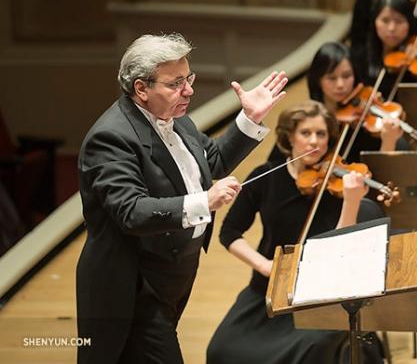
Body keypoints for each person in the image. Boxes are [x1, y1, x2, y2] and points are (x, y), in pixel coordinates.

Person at [76, 33, 287, 364]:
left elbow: (211, 160)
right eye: (175, 83)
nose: (188, 90)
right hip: (132, 285)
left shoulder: (177, 118)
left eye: (188, 78)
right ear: (141, 89)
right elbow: (130, 211)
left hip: (171, 277)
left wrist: (250, 119)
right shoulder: (111, 138)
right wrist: (205, 201)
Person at [206, 101, 378, 364]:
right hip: (268, 292)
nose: (313, 142)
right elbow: (229, 233)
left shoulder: (338, 185)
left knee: (313, 349)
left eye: (321, 134)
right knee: (220, 351)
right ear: (289, 137)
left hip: (321, 294)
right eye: (305, 133)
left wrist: (352, 201)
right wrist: (264, 266)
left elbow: (341, 247)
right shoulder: (266, 177)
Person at [267, 42, 405, 163]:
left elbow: (382, 173)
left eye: (346, 76)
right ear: (318, 80)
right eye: (331, 78)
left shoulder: (363, 123)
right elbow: (276, 165)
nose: (340, 85)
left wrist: (389, 141)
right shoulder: (304, 118)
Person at [351, 0, 417, 100]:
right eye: (385, 20)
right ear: (375, 22)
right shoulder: (361, 56)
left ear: (409, 23)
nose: (391, 28)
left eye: (399, 21)